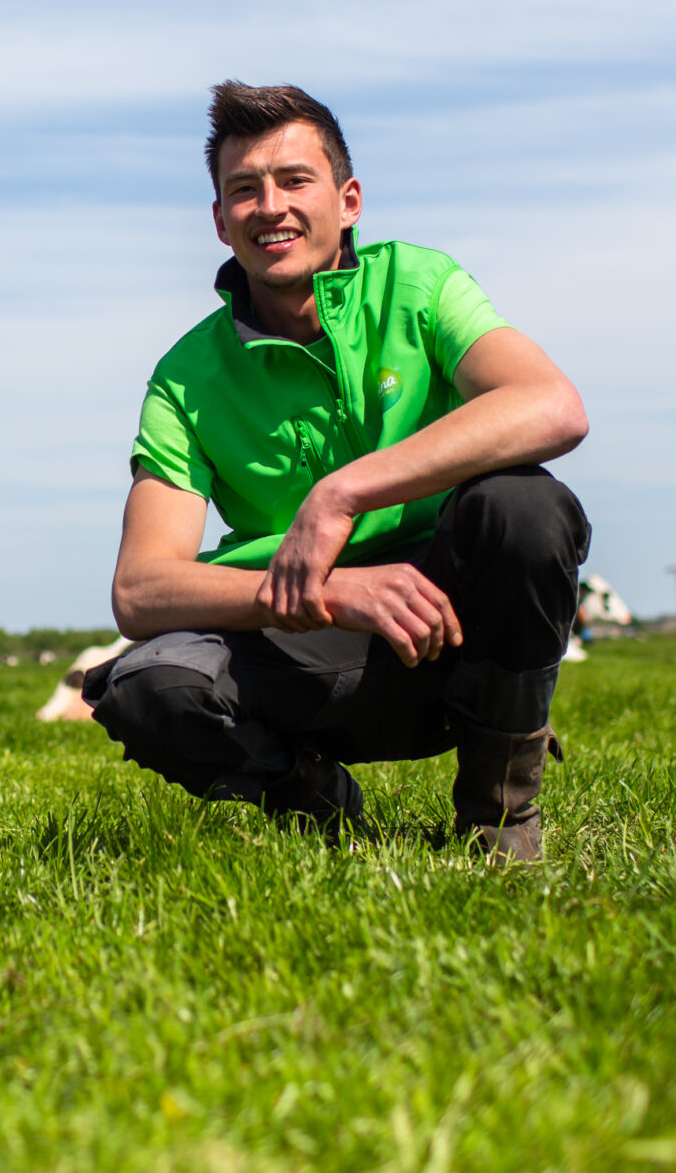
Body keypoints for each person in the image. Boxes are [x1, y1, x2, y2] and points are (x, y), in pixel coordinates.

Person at [82, 81, 592, 864]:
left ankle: (499, 814)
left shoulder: (418, 286)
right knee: (145, 686)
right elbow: (140, 588)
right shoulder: (185, 376)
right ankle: (310, 793)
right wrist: (324, 592)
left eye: (294, 180)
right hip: (308, 660)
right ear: (221, 221)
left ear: (348, 199)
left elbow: (553, 406)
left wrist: (343, 492)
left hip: (452, 638)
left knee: (526, 507)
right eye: (243, 190)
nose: (270, 206)